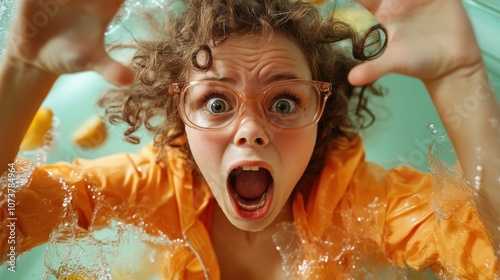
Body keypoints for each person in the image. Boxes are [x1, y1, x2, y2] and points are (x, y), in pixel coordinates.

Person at [1, 0, 499, 279]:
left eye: (284, 103)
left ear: (320, 113)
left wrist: (460, 76)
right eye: (216, 103)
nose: (251, 130)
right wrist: (22, 71)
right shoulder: (150, 188)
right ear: (181, 115)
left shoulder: (363, 202)